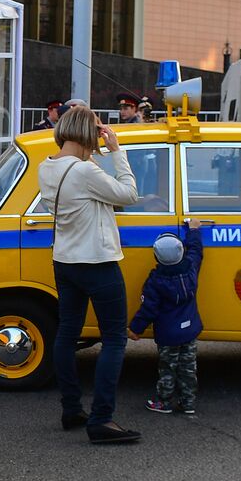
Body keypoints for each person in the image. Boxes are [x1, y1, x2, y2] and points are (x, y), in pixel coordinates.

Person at [38, 105, 141, 444]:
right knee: (114, 338)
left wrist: (92, 151)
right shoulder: (85, 172)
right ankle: (102, 419)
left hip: (64, 261)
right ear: (87, 134)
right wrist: (116, 151)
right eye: (96, 132)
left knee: (67, 333)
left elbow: (89, 184)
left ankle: (71, 409)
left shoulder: (47, 167)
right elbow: (128, 195)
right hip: (97, 263)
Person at [128, 220, 204, 416]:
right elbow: (196, 251)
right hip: (189, 331)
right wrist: (194, 230)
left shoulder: (155, 282)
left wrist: (135, 329)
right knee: (188, 367)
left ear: (156, 256)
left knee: (168, 369)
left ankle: (164, 402)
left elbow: (148, 309)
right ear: (181, 252)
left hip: (168, 335)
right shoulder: (191, 269)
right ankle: (188, 402)